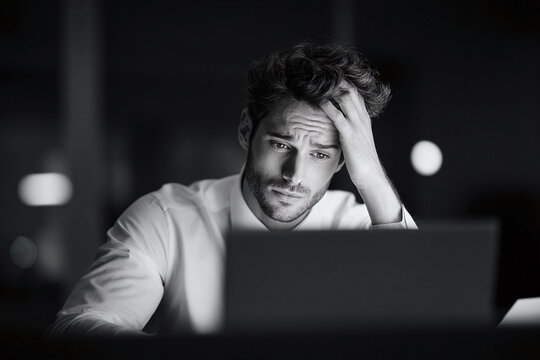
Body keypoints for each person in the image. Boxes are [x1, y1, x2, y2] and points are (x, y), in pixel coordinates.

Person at [47, 41, 417, 336]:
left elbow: (425, 319)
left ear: (341, 162)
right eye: (281, 145)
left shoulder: (360, 228)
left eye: (320, 153)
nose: (294, 174)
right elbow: (75, 327)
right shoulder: (165, 218)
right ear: (246, 130)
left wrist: (369, 173)